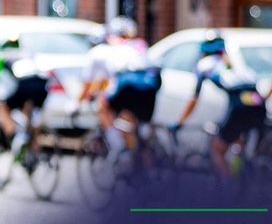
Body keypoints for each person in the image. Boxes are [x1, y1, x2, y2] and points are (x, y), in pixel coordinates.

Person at [171, 31, 267, 184]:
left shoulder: (205, 65)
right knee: (239, 142)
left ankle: (228, 190)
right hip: (258, 105)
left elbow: (194, 99)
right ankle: (243, 177)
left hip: (238, 108)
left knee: (217, 149)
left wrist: (180, 122)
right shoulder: (235, 62)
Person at [74, 16, 154, 162]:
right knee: (129, 122)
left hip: (128, 85)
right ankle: (142, 158)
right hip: (149, 85)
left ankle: (118, 147)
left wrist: (77, 104)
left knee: (103, 106)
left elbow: (90, 84)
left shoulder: (99, 52)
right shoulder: (136, 45)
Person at [0, 35, 49, 168]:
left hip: (23, 84)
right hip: (42, 85)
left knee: (3, 105)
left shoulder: (0, 56)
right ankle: (34, 149)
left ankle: (12, 132)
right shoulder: (27, 53)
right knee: (30, 114)